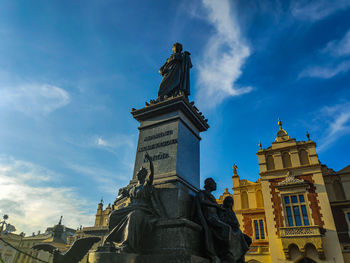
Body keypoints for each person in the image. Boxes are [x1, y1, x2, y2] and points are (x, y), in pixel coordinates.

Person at [105, 153, 165, 253]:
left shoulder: (146, 186)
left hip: (142, 209)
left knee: (133, 216)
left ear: (144, 175)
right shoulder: (132, 188)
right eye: (138, 173)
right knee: (113, 215)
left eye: (141, 173)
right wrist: (120, 195)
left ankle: (127, 245)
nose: (138, 174)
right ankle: (110, 242)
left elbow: (152, 175)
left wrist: (150, 161)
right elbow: (119, 198)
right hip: (130, 207)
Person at [195, 178, 251, 263]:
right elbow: (202, 201)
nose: (216, 184)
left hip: (216, 218)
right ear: (209, 184)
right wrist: (216, 206)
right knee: (227, 228)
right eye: (214, 183)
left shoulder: (212, 196)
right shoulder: (202, 193)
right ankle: (225, 252)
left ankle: (237, 254)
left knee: (238, 233)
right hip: (211, 218)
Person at [219, 196, 251, 263]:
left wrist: (234, 224)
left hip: (236, 230)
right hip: (229, 230)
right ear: (226, 202)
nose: (230, 204)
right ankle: (236, 257)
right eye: (229, 202)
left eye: (231, 202)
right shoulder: (222, 209)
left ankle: (241, 256)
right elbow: (222, 220)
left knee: (248, 239)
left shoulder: (231, 211)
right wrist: (231, 223)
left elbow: (237, 223)